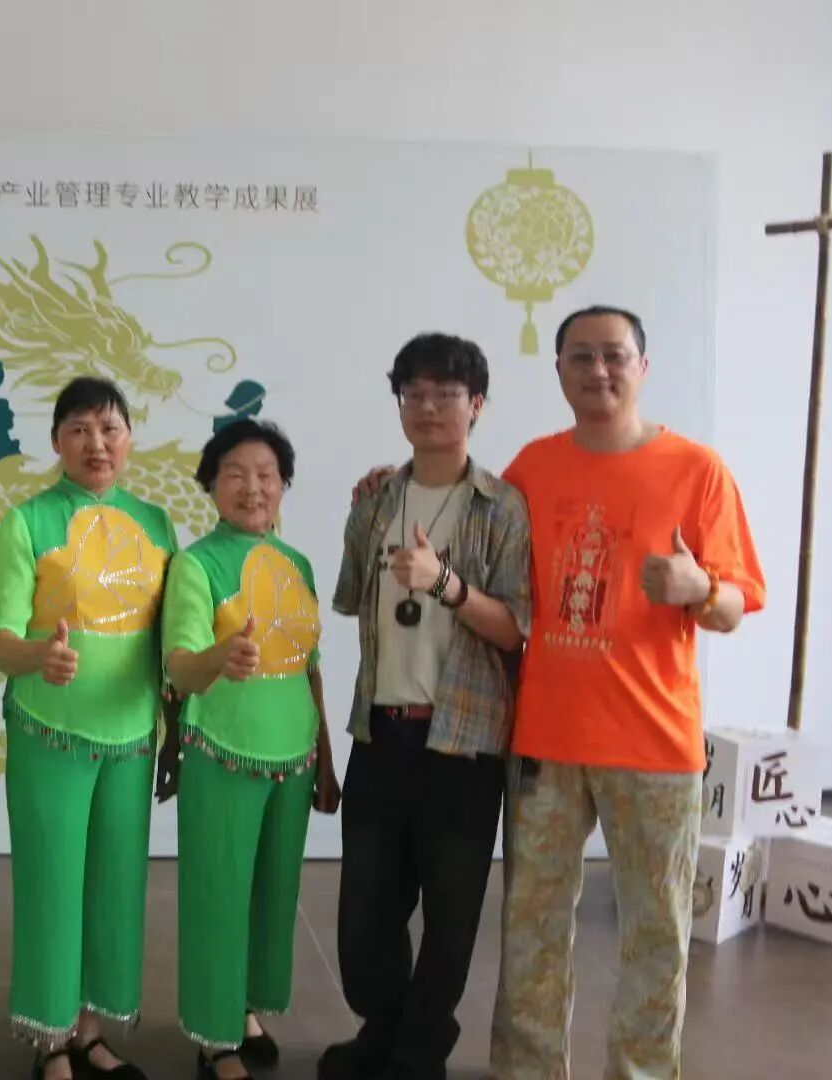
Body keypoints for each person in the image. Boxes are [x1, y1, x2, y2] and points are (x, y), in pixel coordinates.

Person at [487, 306, 764, 1079]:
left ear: (643, 367)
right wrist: (393, 486)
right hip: (546, 737)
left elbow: (736, 604)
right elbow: (477, 542)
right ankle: (526, 1069)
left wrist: (699, 587)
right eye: (580, 357)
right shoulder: (533, 467)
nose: (598, 370)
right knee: (531, 927)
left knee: (656, 931)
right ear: (559, 372)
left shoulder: (697, 469)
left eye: (614, 355)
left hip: (654, 744)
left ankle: (641, 1071)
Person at [321, 334, 531, 1080]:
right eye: (414, 393)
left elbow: (516, 628)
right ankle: (380, 1031)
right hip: (380, 733)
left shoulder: (503, 508)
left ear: (477, 406)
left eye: (447, 394)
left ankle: (418, 1053)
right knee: (365, 913)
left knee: (451, 916)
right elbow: (353, 598)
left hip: (463, 744)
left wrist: (444, 583)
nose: (429, 407)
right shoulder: (376, 499)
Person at [0, 376, 177, 1080]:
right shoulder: (27, 523)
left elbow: (171, 640)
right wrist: (39, 656)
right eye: (80, 430)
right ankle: (51, 1038)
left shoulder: (156, 524)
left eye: (110, 429)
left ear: (129, 437)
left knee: (114, 885)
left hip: (130, 735)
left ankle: (91, 1030)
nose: (97, 444)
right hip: (50, 730)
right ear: (56, 442)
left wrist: (175, 727)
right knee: (52, 884)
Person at [161, 419, 342, 1080]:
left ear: (284, 485)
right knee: (219, 893)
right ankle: (213, 1039)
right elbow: (179, 666)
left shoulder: (298, 564)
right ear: (210, 485)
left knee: (271, 894)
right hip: (223, 752)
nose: (252, 487)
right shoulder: (195, 565)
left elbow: (309, 668)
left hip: (292, 756)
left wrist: (326, 760)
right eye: (234, 474)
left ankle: (241, 1009)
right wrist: (221, 656)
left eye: (266, 475)